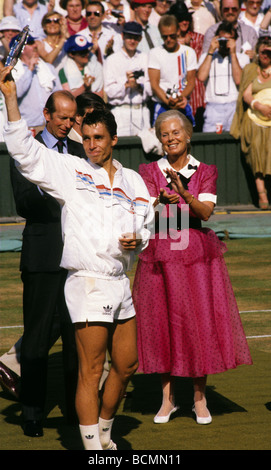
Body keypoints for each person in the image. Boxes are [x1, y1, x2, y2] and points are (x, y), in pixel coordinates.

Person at [0, 65, 154, 450]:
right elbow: (24, 151)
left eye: (98, 137)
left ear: (114, 139)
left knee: (127, 364)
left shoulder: (134, 180)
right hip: (86, 280)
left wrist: (140, 241)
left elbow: (147, 226)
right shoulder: (71, 170)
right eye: (86, 137)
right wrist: (10, 99)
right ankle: (92, 448)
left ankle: (103, 430)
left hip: (121, 282)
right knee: (88, 369)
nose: (91, 144)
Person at [132, 109, 253, 426]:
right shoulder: (149, 170)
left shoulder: (206, 170)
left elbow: (205, 212)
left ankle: (200, 399)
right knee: (161, 325)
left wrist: (183, 193)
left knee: (198, 325)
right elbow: (146, 209)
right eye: (164, 134)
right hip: (160, 254)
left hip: (196, 256)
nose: (170, 138)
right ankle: (167, 399)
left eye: (175, 132)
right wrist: (159, 200)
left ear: (187, 135)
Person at [9, 91, 86, 437]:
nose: (67, 125)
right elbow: (26, 202)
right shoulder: (27, 150)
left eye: (72, 119)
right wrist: (69, 203)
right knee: (37, 340)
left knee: (75, 340)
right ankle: (32, 414)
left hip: (76, 259)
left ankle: (76, 410)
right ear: (46, 114)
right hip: (41, 258)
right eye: (62, 118)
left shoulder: (81, 151)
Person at [230, 35, 271, 209]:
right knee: (256, 156)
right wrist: (259, 106)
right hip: (255, 121)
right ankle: (262, 195)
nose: (266, 54)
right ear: (258, 52)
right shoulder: (250, 69)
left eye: (269, 51)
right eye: (263, 51)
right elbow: (246, 95)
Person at [198, 20, 250, 132]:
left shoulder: (242, 58)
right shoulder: (206, 57)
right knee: (211, 142)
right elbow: (201, 77)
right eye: (222, 39)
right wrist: (211, 50)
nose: (224, 43)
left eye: (228, 40)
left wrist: (233, 53)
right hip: (213, 107)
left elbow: (239, 81)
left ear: (235, 40)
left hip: (234, 106)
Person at [104, 21, 152, 136]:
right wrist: (126, 85)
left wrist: (139, 87)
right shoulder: (112, 60)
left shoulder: (145, 57)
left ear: (140, 39)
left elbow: (151, 88)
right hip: (120, 111)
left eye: (135, 38)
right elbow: (109, 91)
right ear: (123, 36)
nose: (132, 41)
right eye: (129, 37)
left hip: (141, 110)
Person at [148, 14, 197, 126]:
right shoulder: (155, 53)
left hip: (182, 104)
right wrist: (168, 102)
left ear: (178, 31)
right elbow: (154, 84)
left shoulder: (189, 52)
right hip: (162, 104)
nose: (169, 40)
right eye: (165, 37)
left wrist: (180, 98)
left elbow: (191, 81)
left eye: (172, 36)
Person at [10, 34, 62, 132]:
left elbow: (58, 94)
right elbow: (16, 93)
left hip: (50, 126)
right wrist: (30, 69)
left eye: (34, 42)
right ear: (21, 49)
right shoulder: (13, 71)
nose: (35, 45)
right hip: (29, 127)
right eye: (30, 43)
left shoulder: (47, 68)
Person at [169, 2, 206, 130]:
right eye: (180, 19)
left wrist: (186, 48)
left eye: (186, 18)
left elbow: (198, 66)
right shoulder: (168, 41)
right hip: (176, 94)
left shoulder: (199, 38)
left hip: (197, 94)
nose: (184, 22)